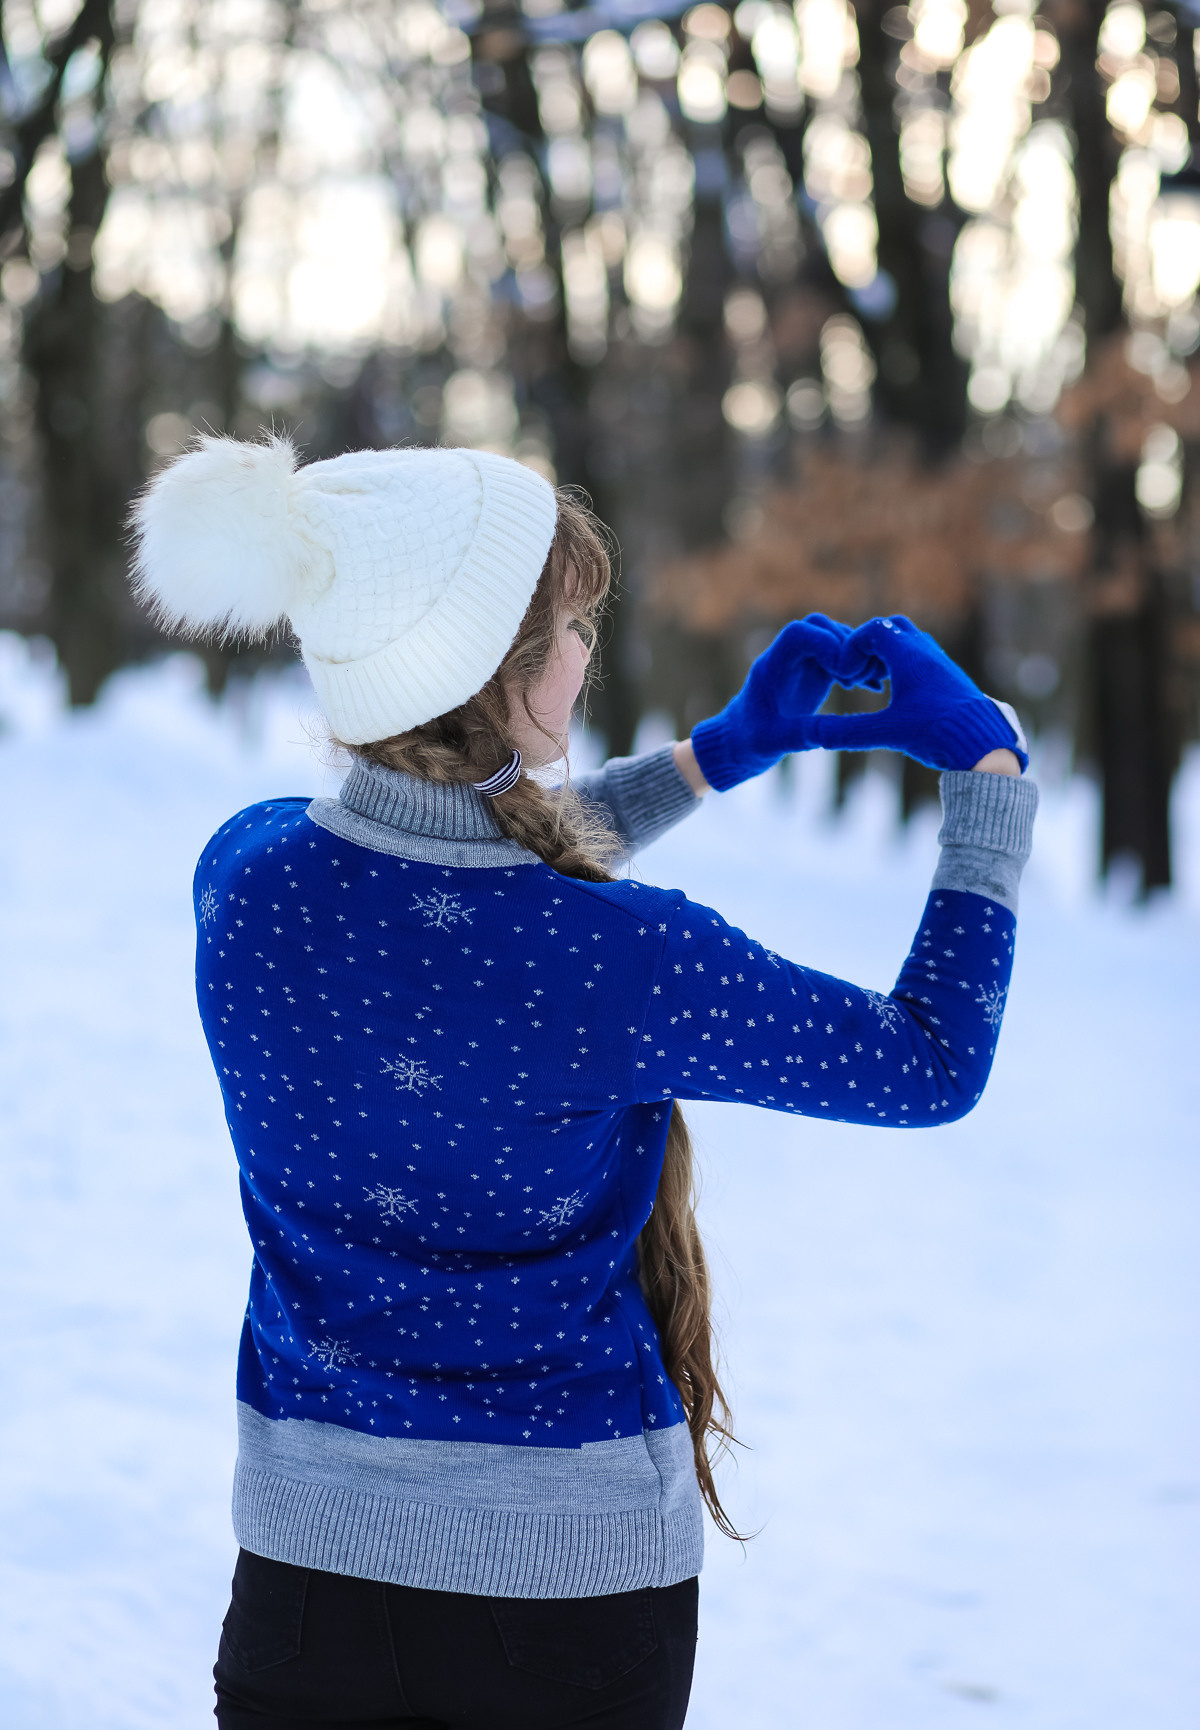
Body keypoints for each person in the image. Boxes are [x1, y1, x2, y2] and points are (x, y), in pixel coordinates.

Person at [131, 438, 1037, 1730]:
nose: (584, 655)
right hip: (565, 1614)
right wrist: (989, 782)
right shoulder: (634, 958)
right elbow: (928, 1061)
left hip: (303, 1590)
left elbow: (451, 894)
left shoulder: (247, 880)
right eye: (567, 627)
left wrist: (714, 755)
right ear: (495, 671)